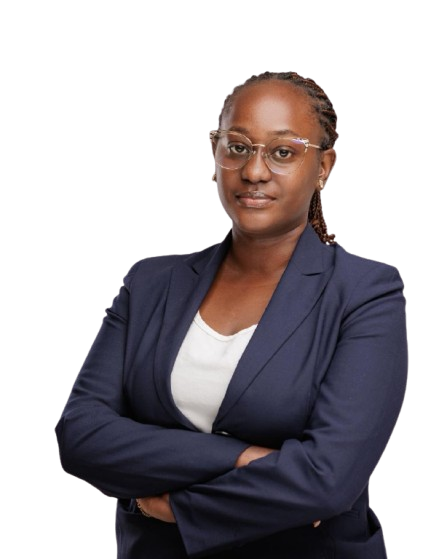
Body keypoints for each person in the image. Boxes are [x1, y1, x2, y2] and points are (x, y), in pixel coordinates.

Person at [54, 70, 408, 558]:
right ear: (214, 153)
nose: (254, 171)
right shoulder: (150, 282)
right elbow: (80, 436)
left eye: (283, 152)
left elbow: (328, 480)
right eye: (237, 147)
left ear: (323, 166)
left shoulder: (365, 292)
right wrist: (244, 458)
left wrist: (176, 509)